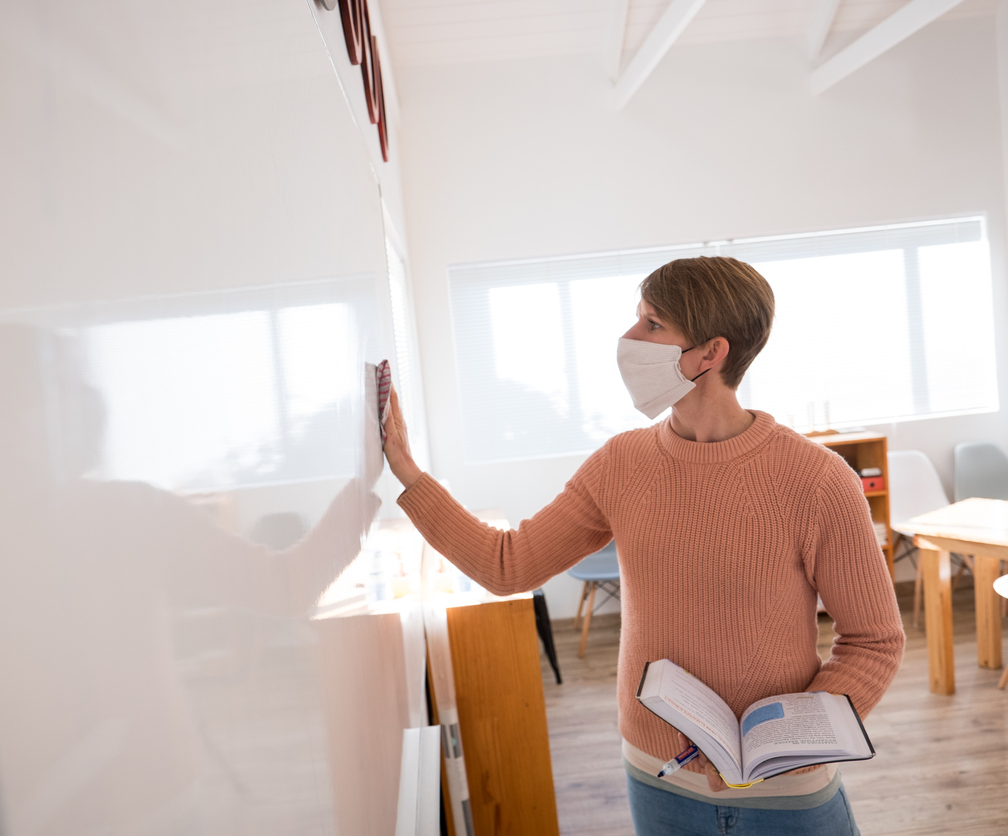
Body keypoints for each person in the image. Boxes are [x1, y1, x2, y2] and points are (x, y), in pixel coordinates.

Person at [382, 256, 904, 835]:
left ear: (711, 353)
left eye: (652, 324)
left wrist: (789, 744)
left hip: (786, 792)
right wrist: (408, 474)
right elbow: (511, 566)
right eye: (638, 319)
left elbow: (873, 643)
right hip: (659, 780)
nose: (629, 338)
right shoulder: (621, 463)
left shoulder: (818, 479)